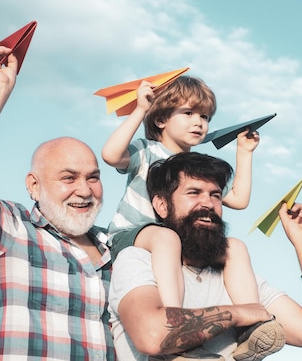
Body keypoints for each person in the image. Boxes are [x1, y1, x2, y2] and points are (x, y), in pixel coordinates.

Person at [0, 46, 114, 360]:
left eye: (93, 177)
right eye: (69, 178)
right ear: (33, 186)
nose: (84, 190)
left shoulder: (116, 248)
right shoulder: (8, 230)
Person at [108, 152, 302, 361]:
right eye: (194, 193)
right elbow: (152, 337)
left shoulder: (237, 277)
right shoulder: (137, 261)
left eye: (216, 195)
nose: (208, 204)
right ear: (161, 205)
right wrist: (240, 314)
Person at [102, 77, 261, 313]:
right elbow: (111, 155)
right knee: (166, 237)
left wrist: (245, 152)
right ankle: (174, 319)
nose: (199, 122)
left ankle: (253, 319)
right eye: (188, 113)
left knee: (234, 247)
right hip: (132, 236)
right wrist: (140, 109)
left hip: (175, 244)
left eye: (204, 117)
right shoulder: (146, 150)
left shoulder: (197, 169)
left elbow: (238, 199)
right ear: (161, 119)